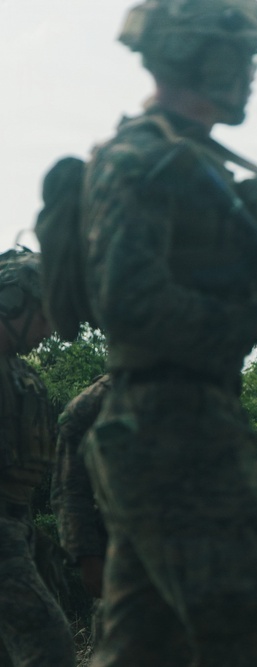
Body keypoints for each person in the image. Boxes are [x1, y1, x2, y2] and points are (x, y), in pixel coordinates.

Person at [76, 0, 257, 664]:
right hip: (175, 431)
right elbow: (129, 300)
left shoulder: (194, 160)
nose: (251, 73)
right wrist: (252, 320)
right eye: (244, 55)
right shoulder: (143, 157)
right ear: (199, 55)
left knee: (144, 650)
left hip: (174, 424)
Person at [0, 248, 75, 666]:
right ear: (11, 301)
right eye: (45, 316)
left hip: (17, 524)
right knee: (49, 645)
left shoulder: (18, 372)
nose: (50, 330)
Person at [50, 374, 112, 648]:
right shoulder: (99, 399)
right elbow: (70, 488)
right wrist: (87, 555)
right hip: (122, 558)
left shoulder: (202, 390)